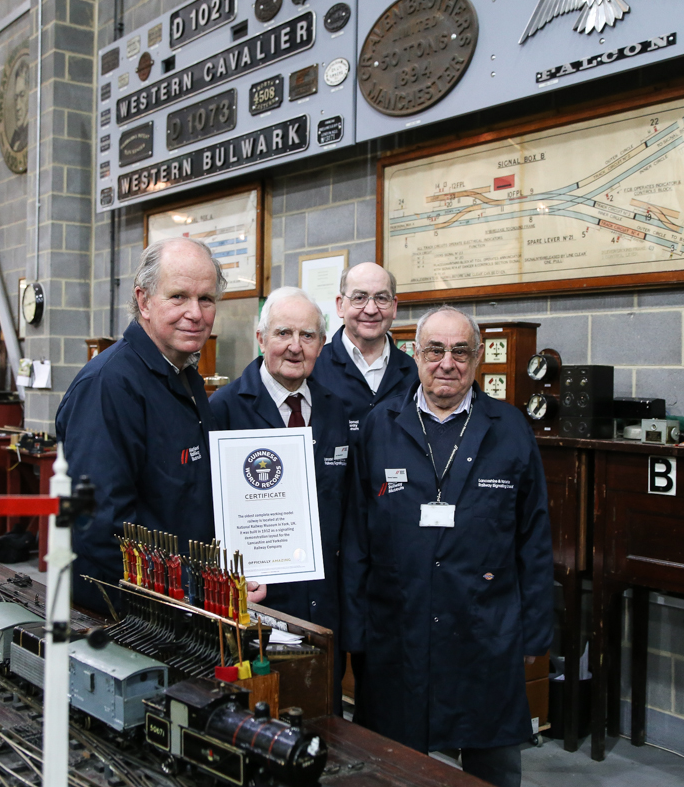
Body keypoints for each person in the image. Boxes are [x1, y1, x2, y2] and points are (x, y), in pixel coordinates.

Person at [342, 306, 553, 787]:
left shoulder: (510, 429)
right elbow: (356, 537)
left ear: (478, 359)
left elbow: (534, 539)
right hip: (397, 629)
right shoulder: (379, 426)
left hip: (485, 630)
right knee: (392, 767)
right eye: (435, 350)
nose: (447, 363)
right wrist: (355, 630)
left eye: (460, 352)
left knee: (493, 767)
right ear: (415, 355)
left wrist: (535, 633)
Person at [57, 237, 265, 611]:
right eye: (178, 297)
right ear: (144, 301)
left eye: (206, 299)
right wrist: (194, 590)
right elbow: (101, 529)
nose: (195, 313)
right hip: (129, 616)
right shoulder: (109, 386)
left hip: (185, 604)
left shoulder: (185, 377)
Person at [209, 287, 351, 709]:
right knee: (258, 712)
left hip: (323, 602)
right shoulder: (224, 409)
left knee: (321, 710)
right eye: (283, 333)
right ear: (260, 338)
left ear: (322, 345)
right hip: (259, 603)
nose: (294, 346)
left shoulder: (335, 410)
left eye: (307, 336)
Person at [310, 262, 417, 430]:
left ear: (394, 306)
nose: (371, 310)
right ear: (340, 305)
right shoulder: (312, 368)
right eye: (359, 298)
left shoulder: (415, 373)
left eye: (381, 298)